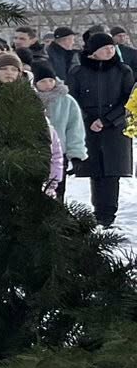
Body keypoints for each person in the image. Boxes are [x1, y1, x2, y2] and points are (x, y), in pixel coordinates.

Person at [70, 29, 135, 227]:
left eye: (111, 47)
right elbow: (73, 99)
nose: (110, 51)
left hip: (115, 127)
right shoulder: (78, 72)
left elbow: (128, 99)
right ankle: (98, 213)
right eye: (105, 48)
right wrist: (89, 119)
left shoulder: (123, 71)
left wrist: (107, 120)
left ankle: (108, 215)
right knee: (95, 172)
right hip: (88, 128)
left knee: (112, 174)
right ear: (93, 51)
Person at [37, 62, 89, 177]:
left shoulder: (67, 101)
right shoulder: (29, 99)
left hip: (59, 154)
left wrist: (76, 154)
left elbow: (75, 128)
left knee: (57, 185)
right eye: (43, 81)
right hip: (34, 153)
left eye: (51, 80)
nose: (48, 84)